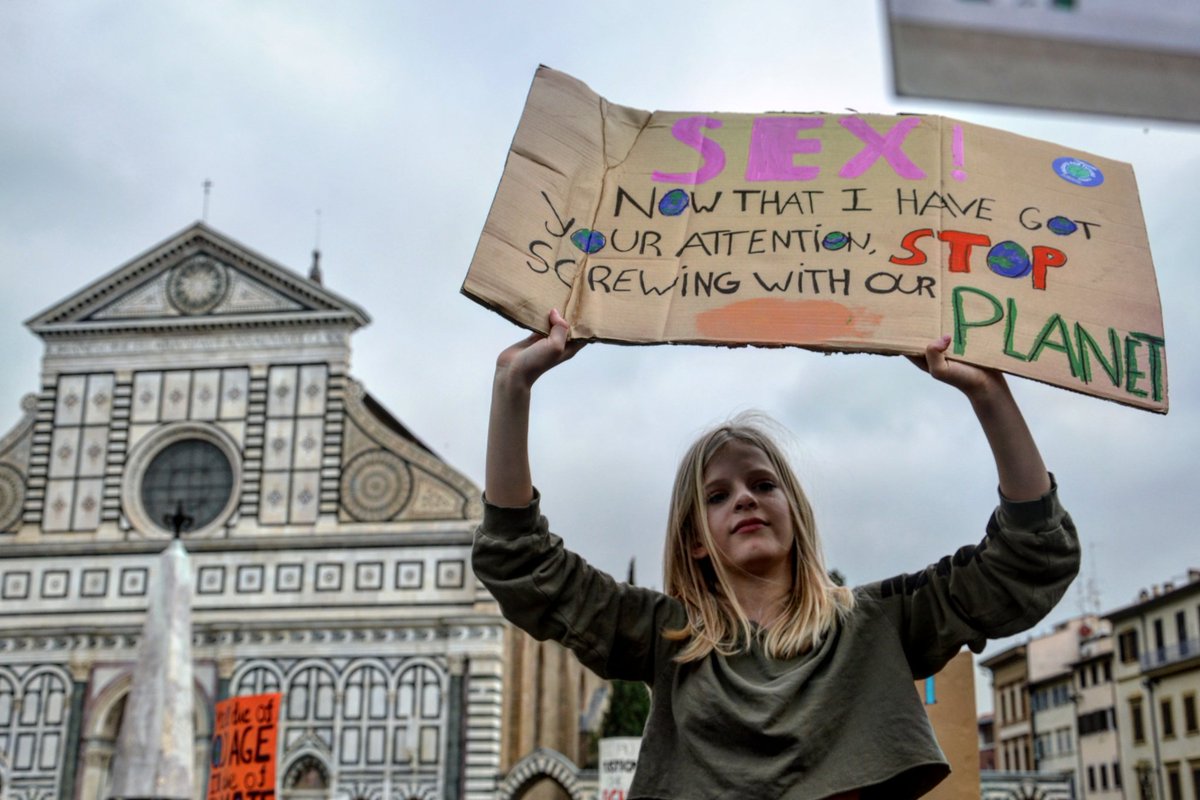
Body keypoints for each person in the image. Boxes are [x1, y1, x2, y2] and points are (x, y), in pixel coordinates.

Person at [473, 309, 1080, 799]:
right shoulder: (669, 638)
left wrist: (989, 395)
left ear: (796, 511)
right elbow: (522, 565)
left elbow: (1029, 559)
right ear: (694, 540)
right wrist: (512, 388)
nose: (745, 499)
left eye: (764, 484)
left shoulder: (875, 624)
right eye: (718, 495)